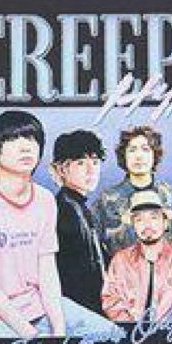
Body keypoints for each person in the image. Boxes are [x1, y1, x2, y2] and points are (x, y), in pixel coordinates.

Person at [0, 110, 120, 340]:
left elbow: (47, 273)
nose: (26, 147)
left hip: (34, 305)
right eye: (13, 139)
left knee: (113, 335)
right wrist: (31, 335)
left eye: (31, 139)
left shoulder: (44, 200)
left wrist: (58, 330)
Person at [93, 124, 172, 252]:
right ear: (124, 156)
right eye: (132, 150)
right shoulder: (106, 200)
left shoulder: (171, 196)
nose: (139, 156)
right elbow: (95, 245)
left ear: (154, 155)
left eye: (145, 149)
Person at [101, 190, 172, 323]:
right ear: (133, 226)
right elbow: (111, 300)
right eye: (139, 219)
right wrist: (131, 326)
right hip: (128, 332)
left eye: (154, 217)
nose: (147, 225)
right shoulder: (120, 261)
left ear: (165, 223)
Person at [49, 129, 109, 312]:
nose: (91, 170)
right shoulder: (66, 210)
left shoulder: (77, 206)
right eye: (81, 163)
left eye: (95, 162)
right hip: (81, 310)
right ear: (62, 169)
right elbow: (79, 275)